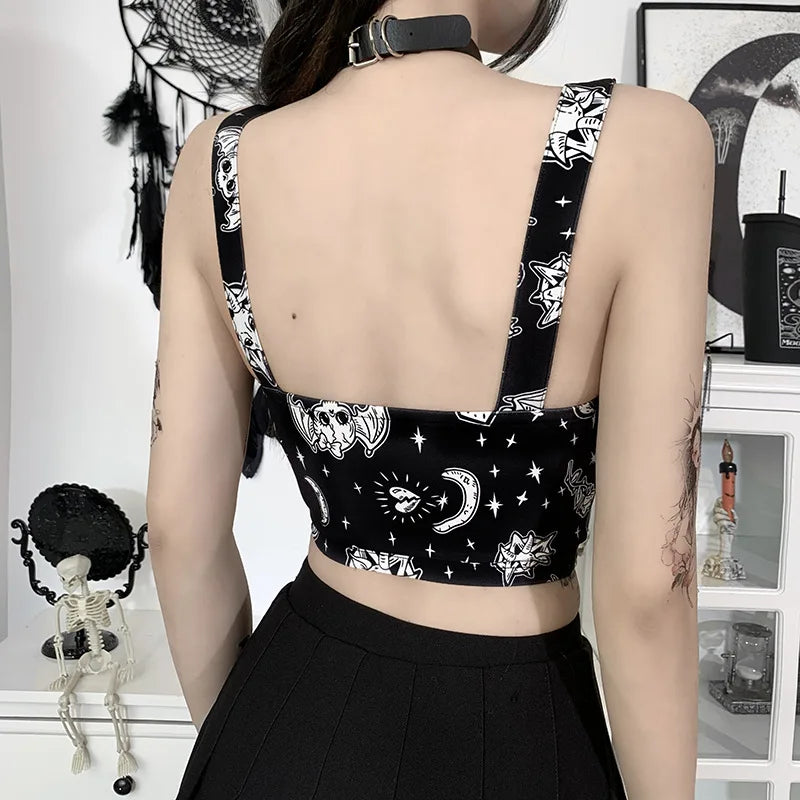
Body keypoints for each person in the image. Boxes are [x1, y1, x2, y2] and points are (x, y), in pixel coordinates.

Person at [145, 0, 715, 798]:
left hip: (288, 713)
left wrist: (253, 741)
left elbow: (178, 532)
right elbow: (650, 588)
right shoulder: (642, 144)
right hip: (520, 728)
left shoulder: (221, 158)